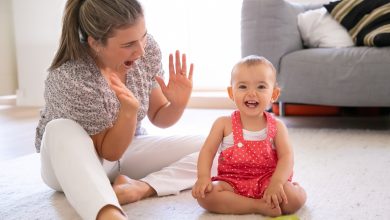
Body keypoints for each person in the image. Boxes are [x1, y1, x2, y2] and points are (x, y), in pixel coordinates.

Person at [35, 0, 204, 219]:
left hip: (127, 150)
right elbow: (108, 152)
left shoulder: (146, 50)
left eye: (143, 36)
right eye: (128, 44)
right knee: (60, 128)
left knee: (221, 145)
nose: (141, 50)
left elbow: (158, 114)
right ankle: (109, 214)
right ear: (95, 43)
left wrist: (178, 103)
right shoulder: (71, 78)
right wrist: (128, 112)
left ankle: (140, 187)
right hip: (71, 162)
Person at [191, 55, 307, 217]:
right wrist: (203, 177)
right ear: (231, 92)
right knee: (207, 197)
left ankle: (297, 189)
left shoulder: (277, 126)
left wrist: (277, 183)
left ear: (274, 94)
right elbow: (207, 152)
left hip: (269, 181)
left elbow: (287, 157)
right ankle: (257, 206)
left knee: (291, 198)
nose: (252, 93)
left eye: (261, 87)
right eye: (243, 87)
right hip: (232, 182)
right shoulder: (223, 124)